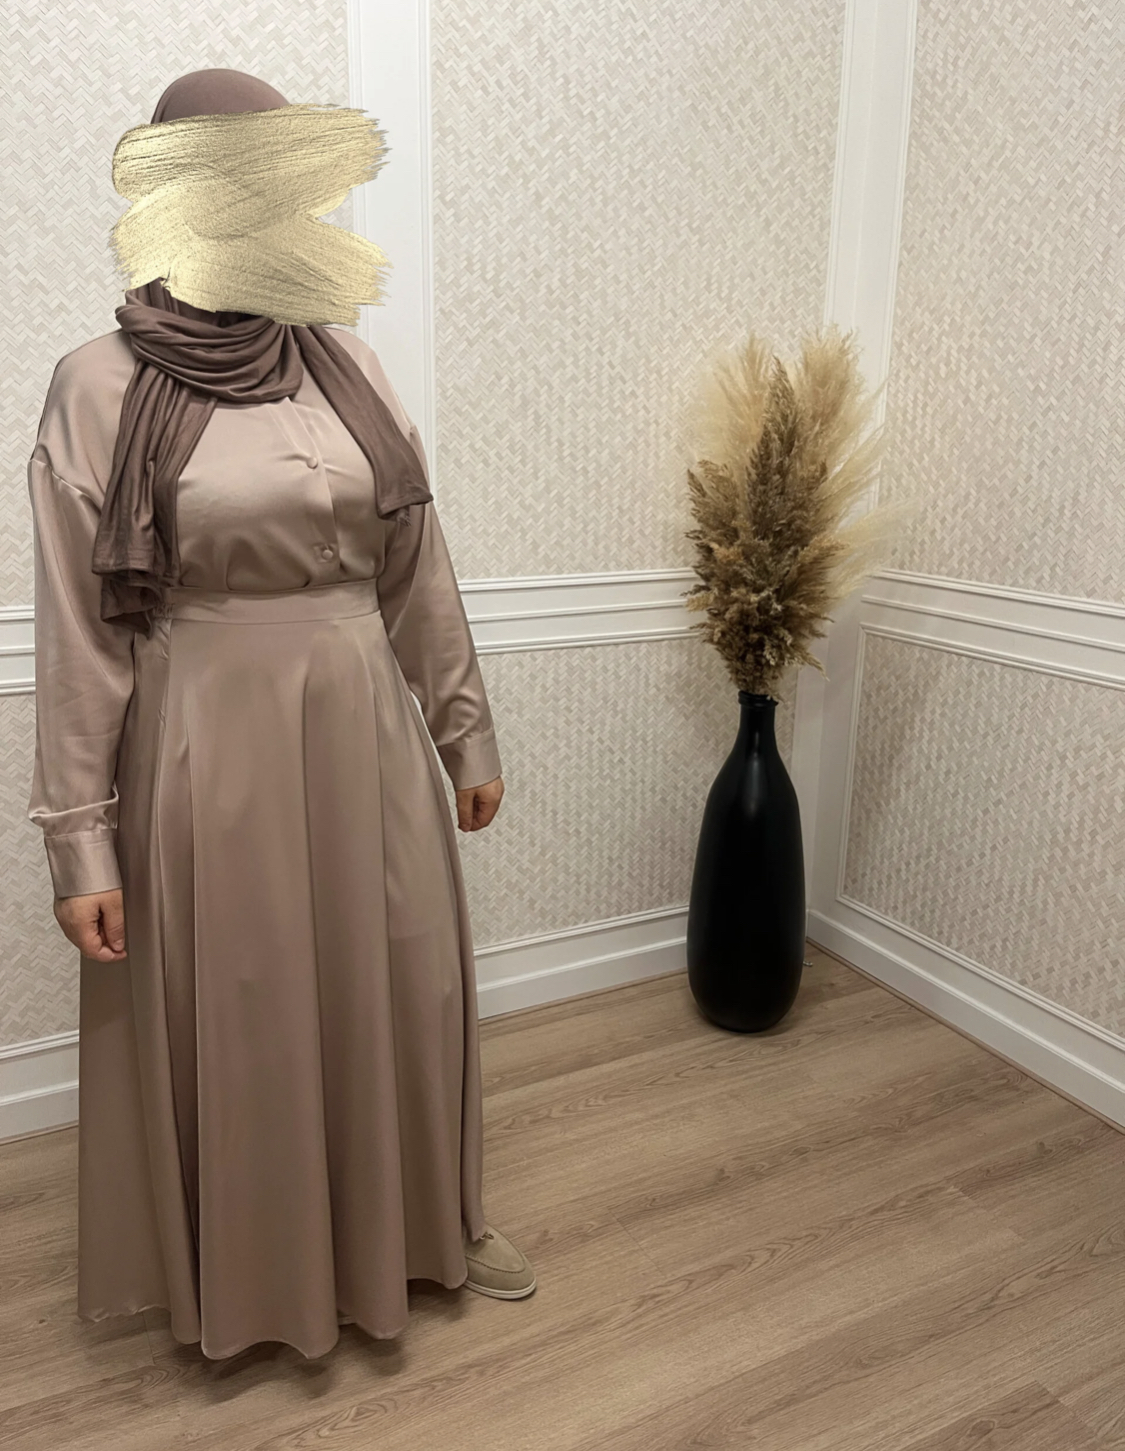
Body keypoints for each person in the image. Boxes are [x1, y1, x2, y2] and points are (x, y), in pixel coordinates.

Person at [25, 66, 535, 1363]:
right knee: (247, 1005)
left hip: (366, 724)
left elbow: (414, 563)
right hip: (207, 736)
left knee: (403, 976)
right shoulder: (96, 385)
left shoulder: (346, 363)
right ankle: (262, 1282)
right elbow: (81, 631)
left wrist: (463, 728)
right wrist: (80, 841)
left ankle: (433, 1224)